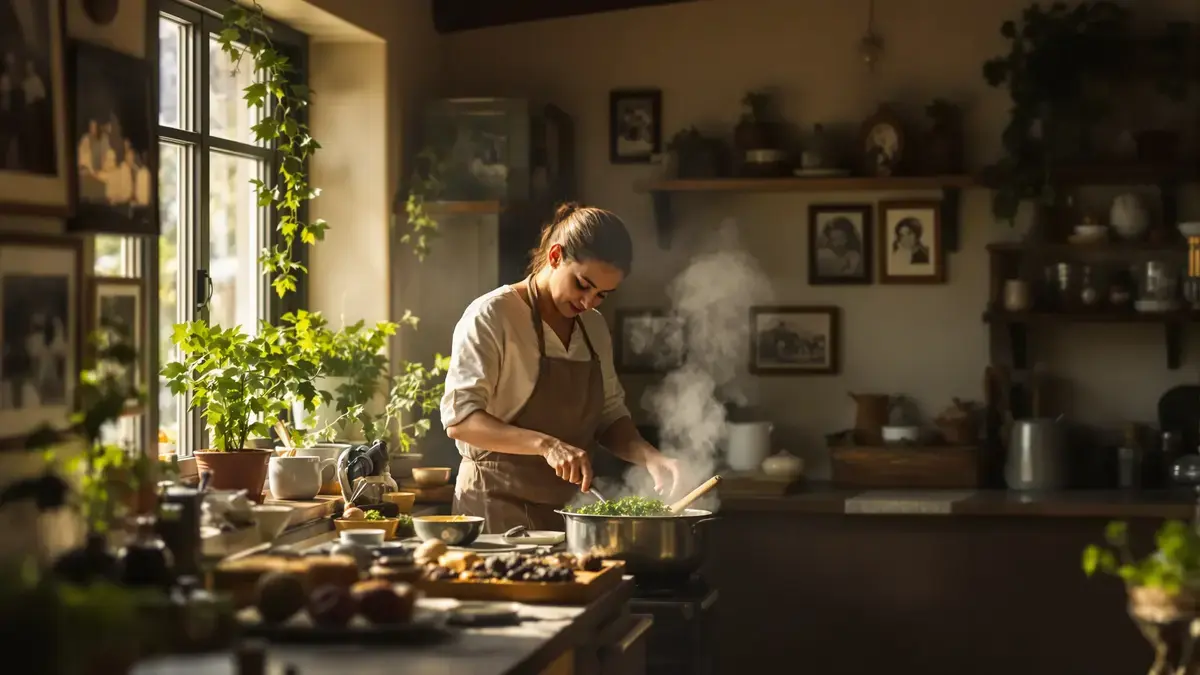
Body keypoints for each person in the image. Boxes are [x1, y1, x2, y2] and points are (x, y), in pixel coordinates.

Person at [441, 202, 682, 533]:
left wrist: (650, 457)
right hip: (496, 504)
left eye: (602, 295)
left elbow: (610, 417)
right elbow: (461, 420)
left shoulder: (593, 327)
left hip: (569, 512)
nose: (588, 302)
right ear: (555, 256)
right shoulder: (493, 316)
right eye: (583, 284)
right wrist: (547, 445)